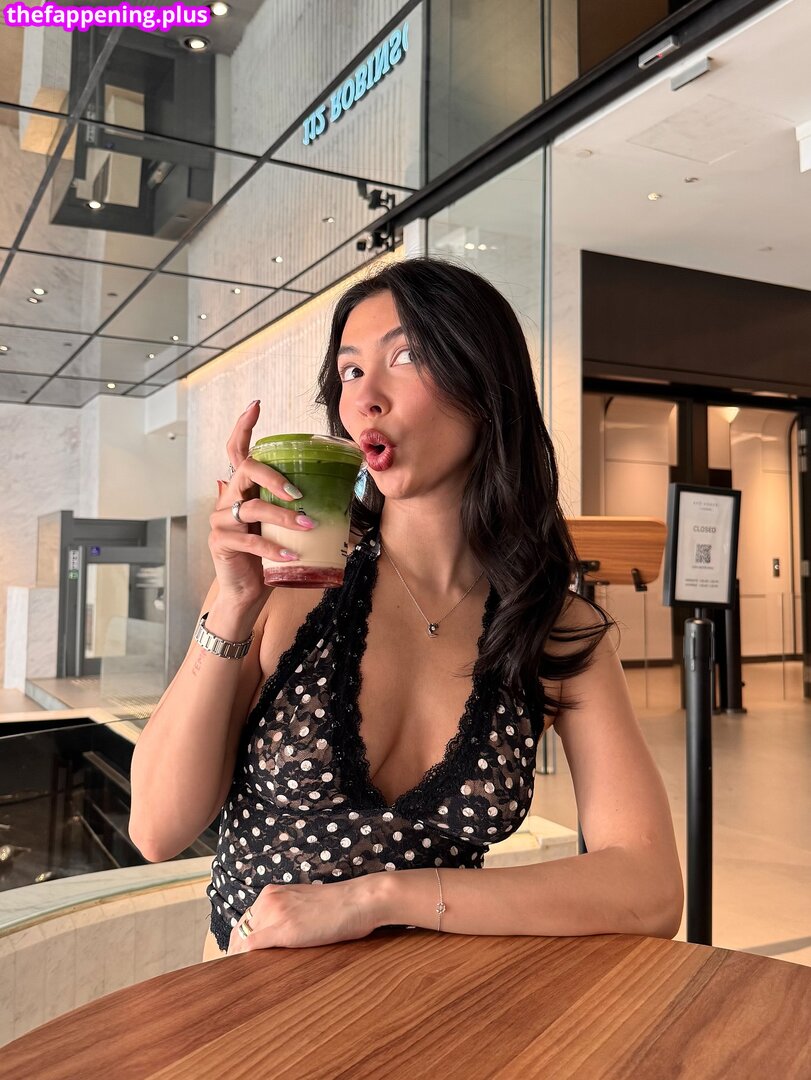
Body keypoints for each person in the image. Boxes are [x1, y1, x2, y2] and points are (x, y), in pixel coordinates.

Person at [128, 256, 684, 959]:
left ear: (484, 382)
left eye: (405, 357)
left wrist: (377, 898)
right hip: (256, 1003)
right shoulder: (290, 584)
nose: (365, 397)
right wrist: (234, 604)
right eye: (350, 370)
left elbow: (649, 887)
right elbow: (157, 830)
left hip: (440, 1000)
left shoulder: (550, 627)